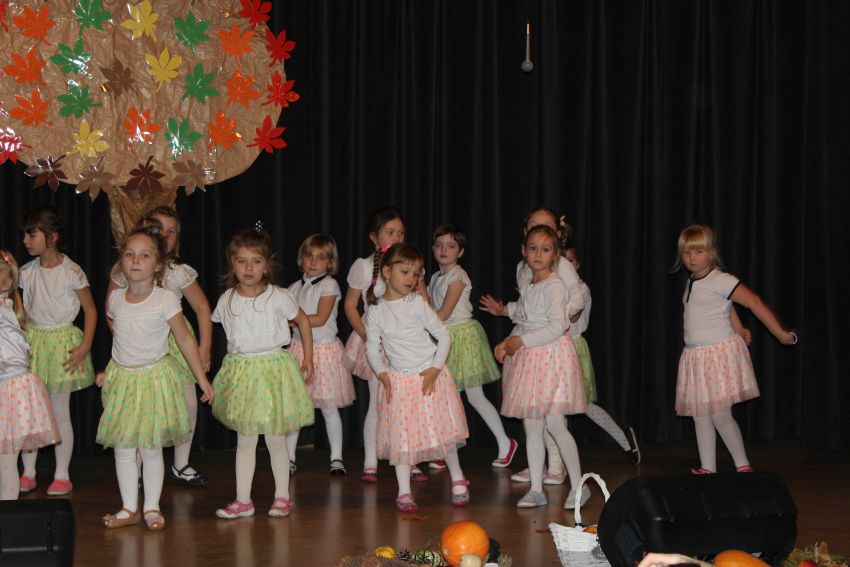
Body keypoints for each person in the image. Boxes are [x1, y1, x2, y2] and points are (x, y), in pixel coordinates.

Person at [481, 207, 640, 485]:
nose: (539, 238)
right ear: (525, 237)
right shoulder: (524, 269)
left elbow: (574, 303)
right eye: (533, 227)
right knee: (538, 413)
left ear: (557, 237)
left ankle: (559, 467)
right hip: (534, 346)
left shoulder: (561, 268)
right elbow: (527, 309)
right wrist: (505, 312)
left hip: (557, 346)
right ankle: (543, 469)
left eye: (546, 230)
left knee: (566, 409)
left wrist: (557, 320)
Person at [97, 226, 213, 530]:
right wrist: (109, 369)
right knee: (123, 447)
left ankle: (151, 507)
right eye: (129, 254)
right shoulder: (115, 299)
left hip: (153, 380)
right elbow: (120, 339)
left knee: (150, 447)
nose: (135, 260)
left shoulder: (165, 299)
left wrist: (202, 379)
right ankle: (128, 507)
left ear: (158, 264)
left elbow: (185, 339)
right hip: (124, 382)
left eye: (144, 255)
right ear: (121, 261)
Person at [673, 223, 796, 474]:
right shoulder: (692, 281)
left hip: (716, 355)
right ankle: (708, 468)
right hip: (696, 356)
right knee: (700, 414)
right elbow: (725, 306)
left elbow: (754, 302)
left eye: (698, 251)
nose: (692, 258)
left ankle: (743, 465)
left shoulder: (721, 279)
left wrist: (781, 334)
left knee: (720, 414)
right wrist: (738, 326)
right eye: (687, 252)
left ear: (712, 252)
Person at [212, 226, 315, 520]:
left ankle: (282, 497)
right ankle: (243, 500)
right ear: (233, 264)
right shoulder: (227, 300)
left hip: (272, 372)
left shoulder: (278, 297)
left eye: (256, 261)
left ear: (267, 265)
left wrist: (308, 358)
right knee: (245, 439)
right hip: (242, 374)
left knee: (274, 438)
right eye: (242, 261)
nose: (249, 268)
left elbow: (303, 321)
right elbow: (219, 328)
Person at [365, 243, 469, 512]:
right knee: (402, 437)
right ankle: (404, 491)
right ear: (387, 272)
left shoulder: (417, 304)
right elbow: (372, 348)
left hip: (428, 376)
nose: (411, 279)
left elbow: (443, 335)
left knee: (442, 431)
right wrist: (382, 373)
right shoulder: (376, 311)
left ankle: (458, 477)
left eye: (416, 274)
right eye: (405, 272)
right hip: (399, 382)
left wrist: (435, 368)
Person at [494, 225, 588, 509]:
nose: (538, 254)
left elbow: (558, 326)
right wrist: (507, 342)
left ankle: (579, 486)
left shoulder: (556, 285)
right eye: (533, 248)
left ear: (555, 255)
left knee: (556, 425)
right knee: (532, 426)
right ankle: (536, 489)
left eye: (545, 249)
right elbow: (524, 320)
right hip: (532, 360)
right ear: (524, 251)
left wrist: (520, 341)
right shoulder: (528, 285)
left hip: (553, 359)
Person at [342, 207, 427, 483]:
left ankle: (409, 458)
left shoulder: (411, 266)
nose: (397, 237)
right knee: (379, 402)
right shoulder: (365, 266)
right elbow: (350, 305)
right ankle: (370, 461)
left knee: (408, 405)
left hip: (407, 344)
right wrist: (368, 336)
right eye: (390, 232)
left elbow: (423, 302)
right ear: (374, 237)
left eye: (401, 232)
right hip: (378, 342)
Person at [18, 204, 96, 496]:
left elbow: (91, 310)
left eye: (31, 234)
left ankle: (62, 474)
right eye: (25, 235)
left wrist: (85, 345)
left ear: (51, 237)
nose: (26, 240)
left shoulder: (72, 271)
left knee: (60, 410)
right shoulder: (26, 272)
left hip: (62, 344)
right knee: (29, 410)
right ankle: (28, 471)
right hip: (34, 343)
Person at [426, 224, 517, 470]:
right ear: (433, 248)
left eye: (451, 246)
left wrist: (421, 303)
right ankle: (450, 445)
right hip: (444, 338)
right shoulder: (434, 278)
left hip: (463, 338)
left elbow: (443, 313)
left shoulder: (458, 276)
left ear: (461, 252)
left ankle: (505, 442)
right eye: (439, 245)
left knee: (475, 396)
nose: (444, 250)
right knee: (446, 397)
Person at [287, 234, 356, 476]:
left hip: (324, 351)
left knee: (328, 407)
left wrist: (289, 321)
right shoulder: (293, 288)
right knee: (295, 408)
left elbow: (320, 318)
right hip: (298, 350)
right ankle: (289, 458)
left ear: (330, 262)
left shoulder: (329, 285)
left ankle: (336, 458)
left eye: (321, 257)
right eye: (309, 256)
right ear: (301, 259)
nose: (314, 262)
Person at [0, 250, 60, 500]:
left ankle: (7, 511)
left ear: (6, 283)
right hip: (9, 387)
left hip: (10, 392)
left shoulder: (4, 313)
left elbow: (12, 357)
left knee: (6, 461)